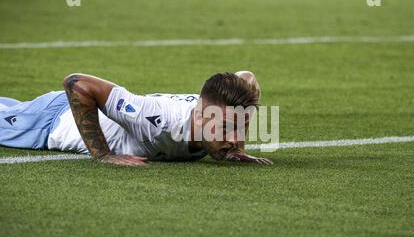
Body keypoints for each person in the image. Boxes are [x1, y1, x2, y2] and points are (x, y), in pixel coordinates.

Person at [0, 71, 273, 166]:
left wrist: (235, 148)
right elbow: (76, 84)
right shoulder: (156, 121)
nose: (236, 137)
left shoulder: (220, 107)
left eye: (242, 127)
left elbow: (247, 76)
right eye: (226, 129)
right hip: (49, 123)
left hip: (48, 113)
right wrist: (102, 154)